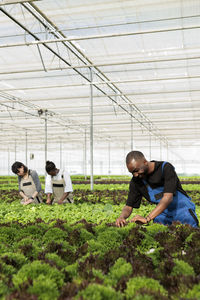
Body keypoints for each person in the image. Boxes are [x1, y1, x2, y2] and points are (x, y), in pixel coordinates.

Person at [116, 151, 199, 228]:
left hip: (182, 210)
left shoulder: (165, 168)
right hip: (162, 214)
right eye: (132, 173)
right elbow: (129, 206)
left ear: (145, 162)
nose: (135, 175)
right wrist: (121, 217)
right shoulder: (136, 181)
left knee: (191, 234)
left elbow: (168, 197)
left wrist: (147, 218)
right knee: (161, 237)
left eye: (136, 171)